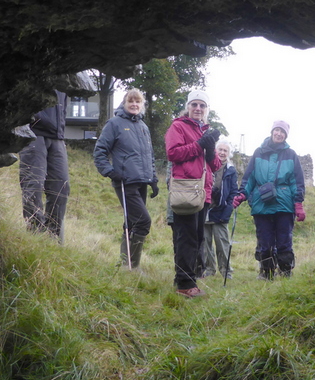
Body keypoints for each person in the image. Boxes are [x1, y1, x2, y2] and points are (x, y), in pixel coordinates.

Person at [93, 88, 159, 271]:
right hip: (125, 182)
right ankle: (134, 266)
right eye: (131, 101)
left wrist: (153, 179)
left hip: (142, 182)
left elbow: (149, 155)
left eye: (138, 102)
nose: (134, 105)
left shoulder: (143, 127)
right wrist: (110, 171)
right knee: (143, 221)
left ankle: (124, 266)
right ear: (124, 103)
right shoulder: (114, 123)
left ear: (142, 104)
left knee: (131, 223)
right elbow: (99, 151)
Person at [233, 120, 306, 280]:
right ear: (272, 131)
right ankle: (266, 272)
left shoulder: (291, 154)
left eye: (282, 132)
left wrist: (298, 203)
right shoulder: (258, 152)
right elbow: (250, 177)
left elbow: (296, 181)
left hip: (284, 205)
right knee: (264, 242)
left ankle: (286, 272)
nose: (279, 134)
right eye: (277, 130)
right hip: (262, 205)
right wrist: (242, 194)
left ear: (285, 135)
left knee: (284, 241)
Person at [165, 90, 221, 298]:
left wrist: (210, 148)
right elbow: (173, 153)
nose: (198, 109)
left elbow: (214, 165)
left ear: (207, 110)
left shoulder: (205, 131)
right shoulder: (177, 126)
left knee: (196, 238)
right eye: (194, 105)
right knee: (186, 237)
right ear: (188, 107)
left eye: (202, 106)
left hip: (202, 192)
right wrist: (199, 145)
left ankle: (185, 280)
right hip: (186, 189)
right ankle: (185, 285)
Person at [19, 89, 70, 243]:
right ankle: (35, 233)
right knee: (33, 184)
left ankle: (53, 237)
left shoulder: (66, 74)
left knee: (62, 187)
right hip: (33, 132)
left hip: (57, 136)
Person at [202, 139, 238, 279]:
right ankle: (209, 269)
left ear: (228, 154)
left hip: (220, 210)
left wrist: (228, 209)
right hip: (205, 208)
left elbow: (234, 191)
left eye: (225, 151)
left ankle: (226, 271)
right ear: (215, 151)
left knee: (222, 243)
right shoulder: (207, 164)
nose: (222, 153)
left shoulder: (230, 170)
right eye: (220, 149)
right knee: (205, 243)